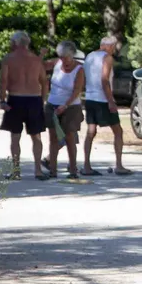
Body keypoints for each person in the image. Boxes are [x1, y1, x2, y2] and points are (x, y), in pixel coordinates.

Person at [0, 31, 50, 181]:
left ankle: (16, 171)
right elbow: (44, 82)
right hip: (34, 99)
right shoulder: (36, 59)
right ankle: (38, 170)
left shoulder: (9, 59)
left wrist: (2, 100)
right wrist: (42, 100)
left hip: (16, 98)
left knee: (15, 137)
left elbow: (4, 81)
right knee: (36, 137)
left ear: (15, 43)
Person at [81, 35, 130, 176]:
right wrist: (111, 101)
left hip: (90, 98)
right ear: (109, 46)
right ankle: (119, 165)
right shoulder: (107, 58)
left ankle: (86, 166)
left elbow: (85, 79)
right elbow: (104, 80)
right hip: (102, 99)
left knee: (91, 132)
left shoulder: (89, 56)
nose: (114, 50)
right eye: (114, 47)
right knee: (118, 131)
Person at [45, 41, 87, 180]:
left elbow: (77, 91)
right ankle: (52, 170)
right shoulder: (57, 63)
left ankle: (73, 170)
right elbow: (38, 66)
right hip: (52, 104)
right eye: (61, 57)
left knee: (69, 137)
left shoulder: (79, 69)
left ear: (73, 55)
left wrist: (65, 105)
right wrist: (41, 55)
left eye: (67, 57)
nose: (64, 60)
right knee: (53, 138)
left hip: (71, 106)